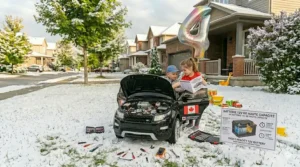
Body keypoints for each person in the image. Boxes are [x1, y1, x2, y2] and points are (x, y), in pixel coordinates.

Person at [176, 57, 207, 130]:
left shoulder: (197, 74)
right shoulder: (184, 77)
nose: (183, 72)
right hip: (189, 97)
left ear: (190, 67)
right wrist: (176, 89)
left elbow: (205, 84)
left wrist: (202, 81)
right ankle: (190, 123)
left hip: (198, 96)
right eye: (183, 70)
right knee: (190, 109)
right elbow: (182, 88)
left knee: (198, 110)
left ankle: (196, 125)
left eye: (185, 70)